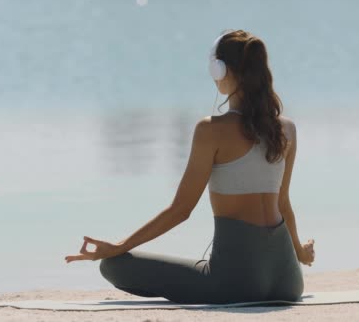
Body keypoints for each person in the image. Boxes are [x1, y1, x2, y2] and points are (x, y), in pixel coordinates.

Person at [64, 29, 315, 304]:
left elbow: (181, 210)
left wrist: (121, 246)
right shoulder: (286, 129)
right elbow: (283, 203)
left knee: (113, 265)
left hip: (235, 283)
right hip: (288, 283)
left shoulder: (210, 130)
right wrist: (300, 253)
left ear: (219, 69)